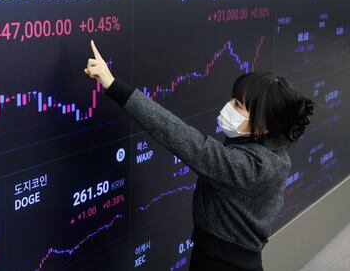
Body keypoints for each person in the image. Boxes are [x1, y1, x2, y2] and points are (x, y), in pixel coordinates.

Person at [84, 40, 314, 271]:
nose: (228, 106)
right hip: (219, 256)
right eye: (232, 99)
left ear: (265, 125)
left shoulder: (251, 166)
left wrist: (113, 85)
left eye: (238, 105)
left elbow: (181, 137)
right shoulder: (266, 150)